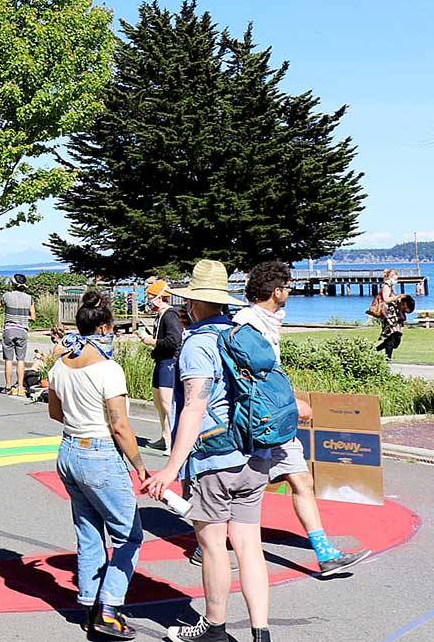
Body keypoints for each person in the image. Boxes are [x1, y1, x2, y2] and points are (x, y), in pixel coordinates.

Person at [141, 259, 273, 642]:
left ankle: (214, 627)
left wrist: (171, 467)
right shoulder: (244, 334)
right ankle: (260, 632)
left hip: (216, 458)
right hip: (254, 454)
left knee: (213, 544)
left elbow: (195, 407)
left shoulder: (198, 343)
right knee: (249, 545)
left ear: (194, 303)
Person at [217, 260, 370, 576]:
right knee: (243, 486)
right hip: (259, 422)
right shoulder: (249, 325)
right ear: (276, 292)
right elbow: (254, 378)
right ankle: (210, 544)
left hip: (276, 420)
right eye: (287, 288)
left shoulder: (265, 321)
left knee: (301, 479)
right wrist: (291, 403)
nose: (290, 292)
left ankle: (325, 553)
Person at [47, 291, 147, 640]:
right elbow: (119, 424)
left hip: (69, 449)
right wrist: (139, 466)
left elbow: (55, 412)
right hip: (100, 452)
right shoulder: (108, 369)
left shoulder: (60, 365)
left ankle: (90, 602)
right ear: (104, 327)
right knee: (129, 536)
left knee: (89, 532)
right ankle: (109, 605)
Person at [137, 280, 181, 453]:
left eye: (150, 297)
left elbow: (173, 341)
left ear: (159, 298)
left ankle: (174, 440)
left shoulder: (170, 315)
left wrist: (152, 341)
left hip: (169, 362)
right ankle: (165, 437)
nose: (149, 300)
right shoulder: (160, 315)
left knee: (167, 403)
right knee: (158, 402)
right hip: (160, 360)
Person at [0, 274, 36, 397]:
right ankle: (21, 387)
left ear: (12, 284)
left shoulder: (6, 296)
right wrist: (25, 317)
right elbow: (33, 317)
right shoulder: (29, 298)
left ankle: (8, 386)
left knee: (8, 360)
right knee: (21, 360)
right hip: (22, 331)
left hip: (9, 330)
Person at [372, 269, 405, 359]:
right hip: (388, 315)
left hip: (393, 315)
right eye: (395, 277)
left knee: (395, 337)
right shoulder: (386, 286)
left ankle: (374, 350)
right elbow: (386, 299)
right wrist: (397, 297)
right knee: (392, 337)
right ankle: (387, 358)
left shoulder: (391, 287)